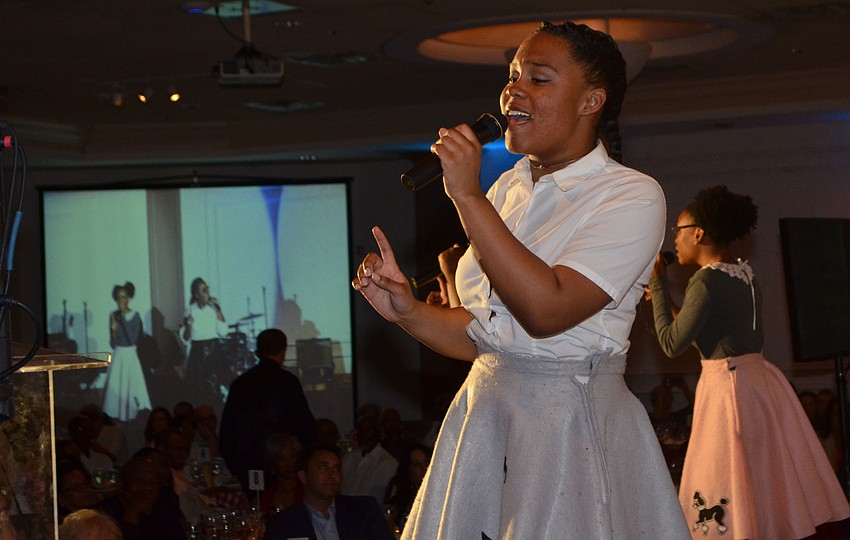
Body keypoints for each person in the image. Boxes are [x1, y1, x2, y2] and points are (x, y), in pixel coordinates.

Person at [352, 20, 688, 538]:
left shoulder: (631, 195)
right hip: (484, 416)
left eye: (539, 77)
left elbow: (546, 311)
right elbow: (491, 339)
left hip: (568, 427)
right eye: (512, 75)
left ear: (590, 100)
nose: (514, 89)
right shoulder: (509, 187)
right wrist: (408, 311)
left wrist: (466, 197)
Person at [645, 185, 850, 537]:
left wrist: (659, 287)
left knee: (724, 479)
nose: (674, 240)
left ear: (698, 233)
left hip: (728, 391)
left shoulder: (705, 282)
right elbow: (707, 337)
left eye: (678, 230)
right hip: (755, 383)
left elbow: (671, 343)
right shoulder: (743, 274)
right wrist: (666, 304)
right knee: (755, 483)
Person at [220, 328, 316, 492]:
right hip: (284, 468)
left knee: (258, 510)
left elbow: (227, 431)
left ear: (257, 352)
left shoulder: (240, 383)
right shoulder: (287, 381)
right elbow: (304, 425)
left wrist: (236, 466)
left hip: (248, 464)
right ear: (284, 351)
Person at [262, 445, 395, 540]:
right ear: (303, 476)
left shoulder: (363, 510)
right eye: (323, 467)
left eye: (336, 468)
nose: (332, 474)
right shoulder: (283, 524)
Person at [102, 282, 152, 422]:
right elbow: (113, 344)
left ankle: (132, 415)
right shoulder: (113, 315)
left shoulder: (135, 315)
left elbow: (133, 339)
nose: (120, 301)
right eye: (118, 298)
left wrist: (122, 318)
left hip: (130, 354)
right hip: (118, 355)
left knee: (131, 386)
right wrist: (112, 330)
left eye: (123, 297)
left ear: (128, 298)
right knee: (117, 387)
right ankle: (117, 415)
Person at [180, 277, 227, 396]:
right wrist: (189, 325)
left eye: (207, 289)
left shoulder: (213, 308)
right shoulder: (190, 309)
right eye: (203, 290)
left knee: (216, 388)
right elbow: (185, 338)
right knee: (198, 389)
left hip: (214, 351)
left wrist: (217, 309)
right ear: (196, 294)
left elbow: (223, 331)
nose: (207, 292)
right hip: (198, 353)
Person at [339, 415, 398, 503]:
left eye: (369, 430)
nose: (364, 434)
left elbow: (378, 500)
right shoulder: (348, 459)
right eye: (361, 430)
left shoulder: (388, 463)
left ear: (378, 433)